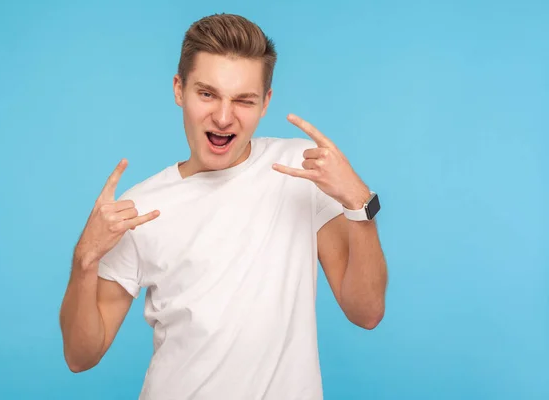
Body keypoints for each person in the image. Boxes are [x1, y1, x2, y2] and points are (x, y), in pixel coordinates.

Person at [59, 13, 388, 400]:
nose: (223, 116)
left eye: (243, 100)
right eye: (207, 94)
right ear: (179, 89)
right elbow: (81, 356)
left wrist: (358, 203)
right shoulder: (140, 208)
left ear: (265, 102)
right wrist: (85, 258)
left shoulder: (300, 169)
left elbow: (366, 312)